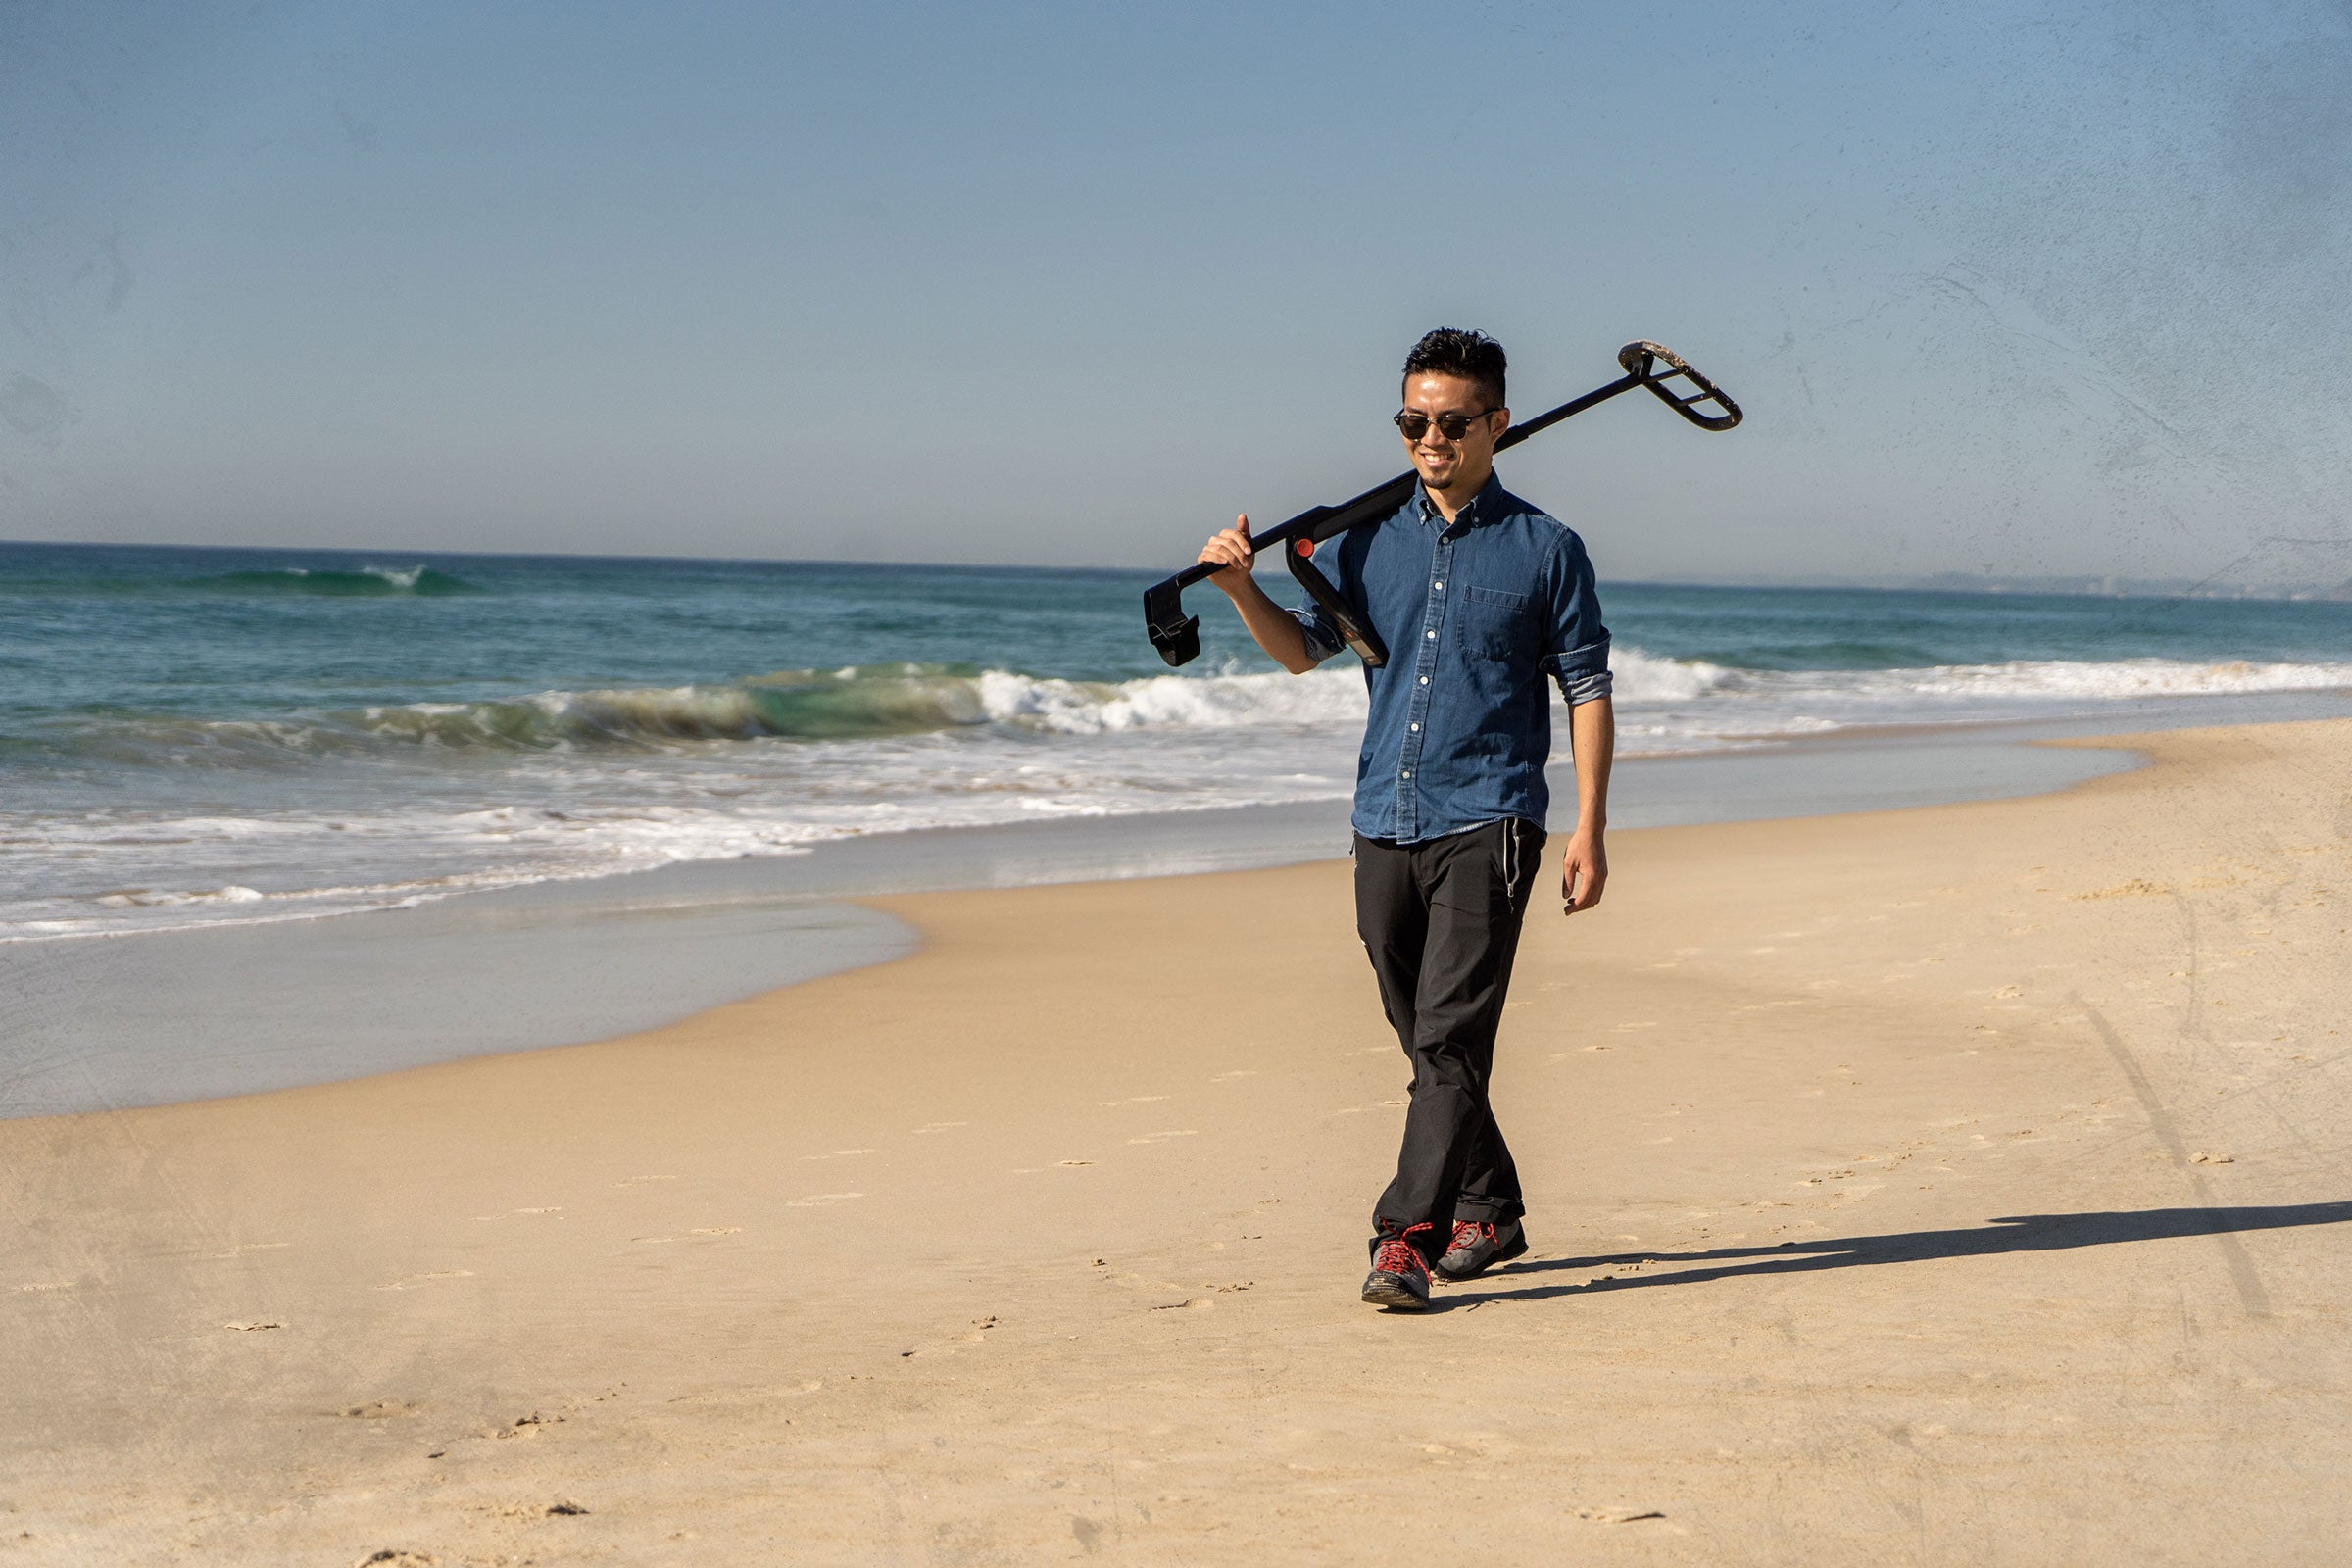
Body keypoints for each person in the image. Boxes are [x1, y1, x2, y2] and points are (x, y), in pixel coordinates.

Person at [1196, 327, 1615, 1311]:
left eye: (1450, 420)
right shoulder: (1366, 541)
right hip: (1383, 814)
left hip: (1491, 814)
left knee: (1450, 1038)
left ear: (1496, 425)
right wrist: (1241, 587)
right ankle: (1491, 1203)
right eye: (1413, 419)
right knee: (1419, 1025)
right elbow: (1306, 653)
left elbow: (1586, 690)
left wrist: (1591, 828)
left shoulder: (1547, 549)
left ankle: (1406, 1239)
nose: (1429, 437)